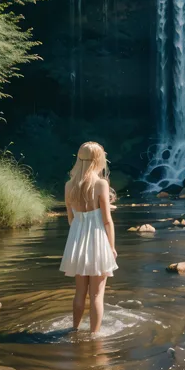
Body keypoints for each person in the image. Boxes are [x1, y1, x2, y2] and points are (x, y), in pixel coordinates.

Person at [60, 141, 118, 333]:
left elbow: (71, 219)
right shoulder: (101, 184)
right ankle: (94, 337)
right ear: (98, 160)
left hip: (77, 242)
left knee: (79, 292)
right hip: (98, 241)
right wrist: (112, 247)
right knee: (96, 296)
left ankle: (74, 329)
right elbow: (107, 221)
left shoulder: (69, 185)